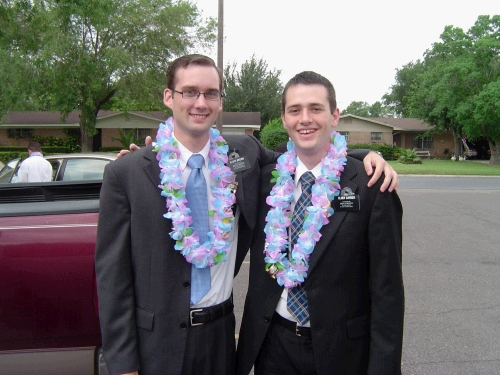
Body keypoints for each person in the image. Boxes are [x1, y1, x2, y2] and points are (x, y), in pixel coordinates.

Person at [96, 54, 398, 375]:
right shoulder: (127, 173)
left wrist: (365, 154)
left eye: (211, 93)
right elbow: (113, 282)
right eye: (190, 92)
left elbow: (305, 152)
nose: (201, 102)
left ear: (220, 102)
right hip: (157, 344)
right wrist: (124, 366)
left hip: (222, 337)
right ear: (169, 97)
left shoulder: (242, 154)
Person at [236, 71, 404, 375]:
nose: (305, 119)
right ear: (284, 119)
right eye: (295, 110)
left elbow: (388, 294)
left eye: (316, 109)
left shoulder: (372, 186)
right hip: (272, 346)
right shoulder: (264, 182)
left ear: (335, 115)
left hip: (343, 353)